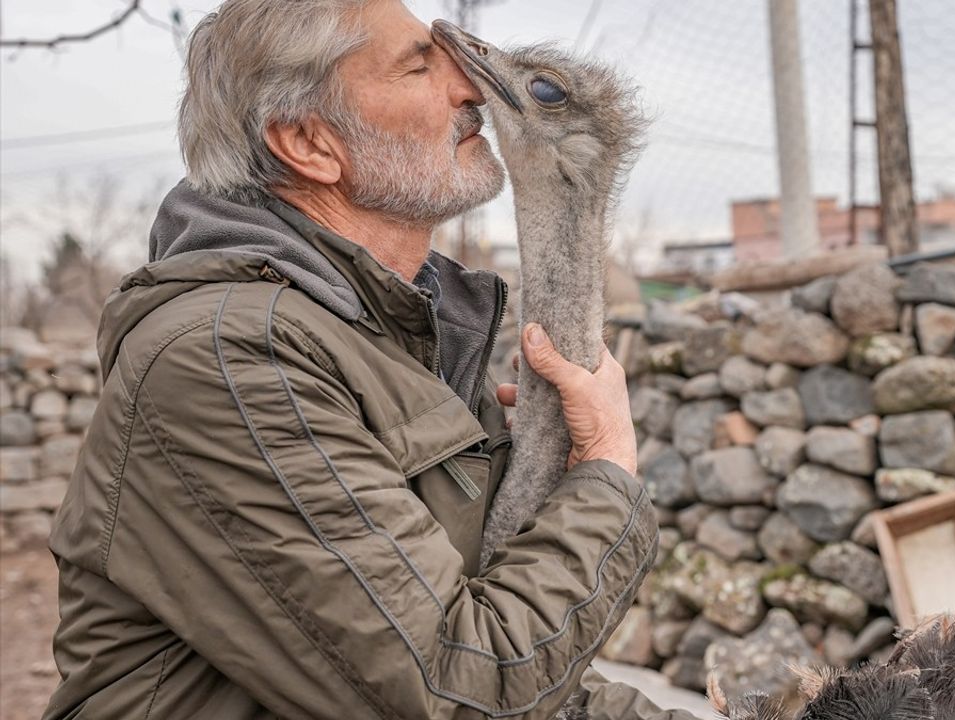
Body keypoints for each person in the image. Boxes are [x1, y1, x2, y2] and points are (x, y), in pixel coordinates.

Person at [42, 1, 696, 718]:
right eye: (419, 65)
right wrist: (605, 468)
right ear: (309, 143)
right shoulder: (230, 360)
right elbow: (458, 689)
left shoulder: (402, 339)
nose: (470, 88)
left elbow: (514, 660)